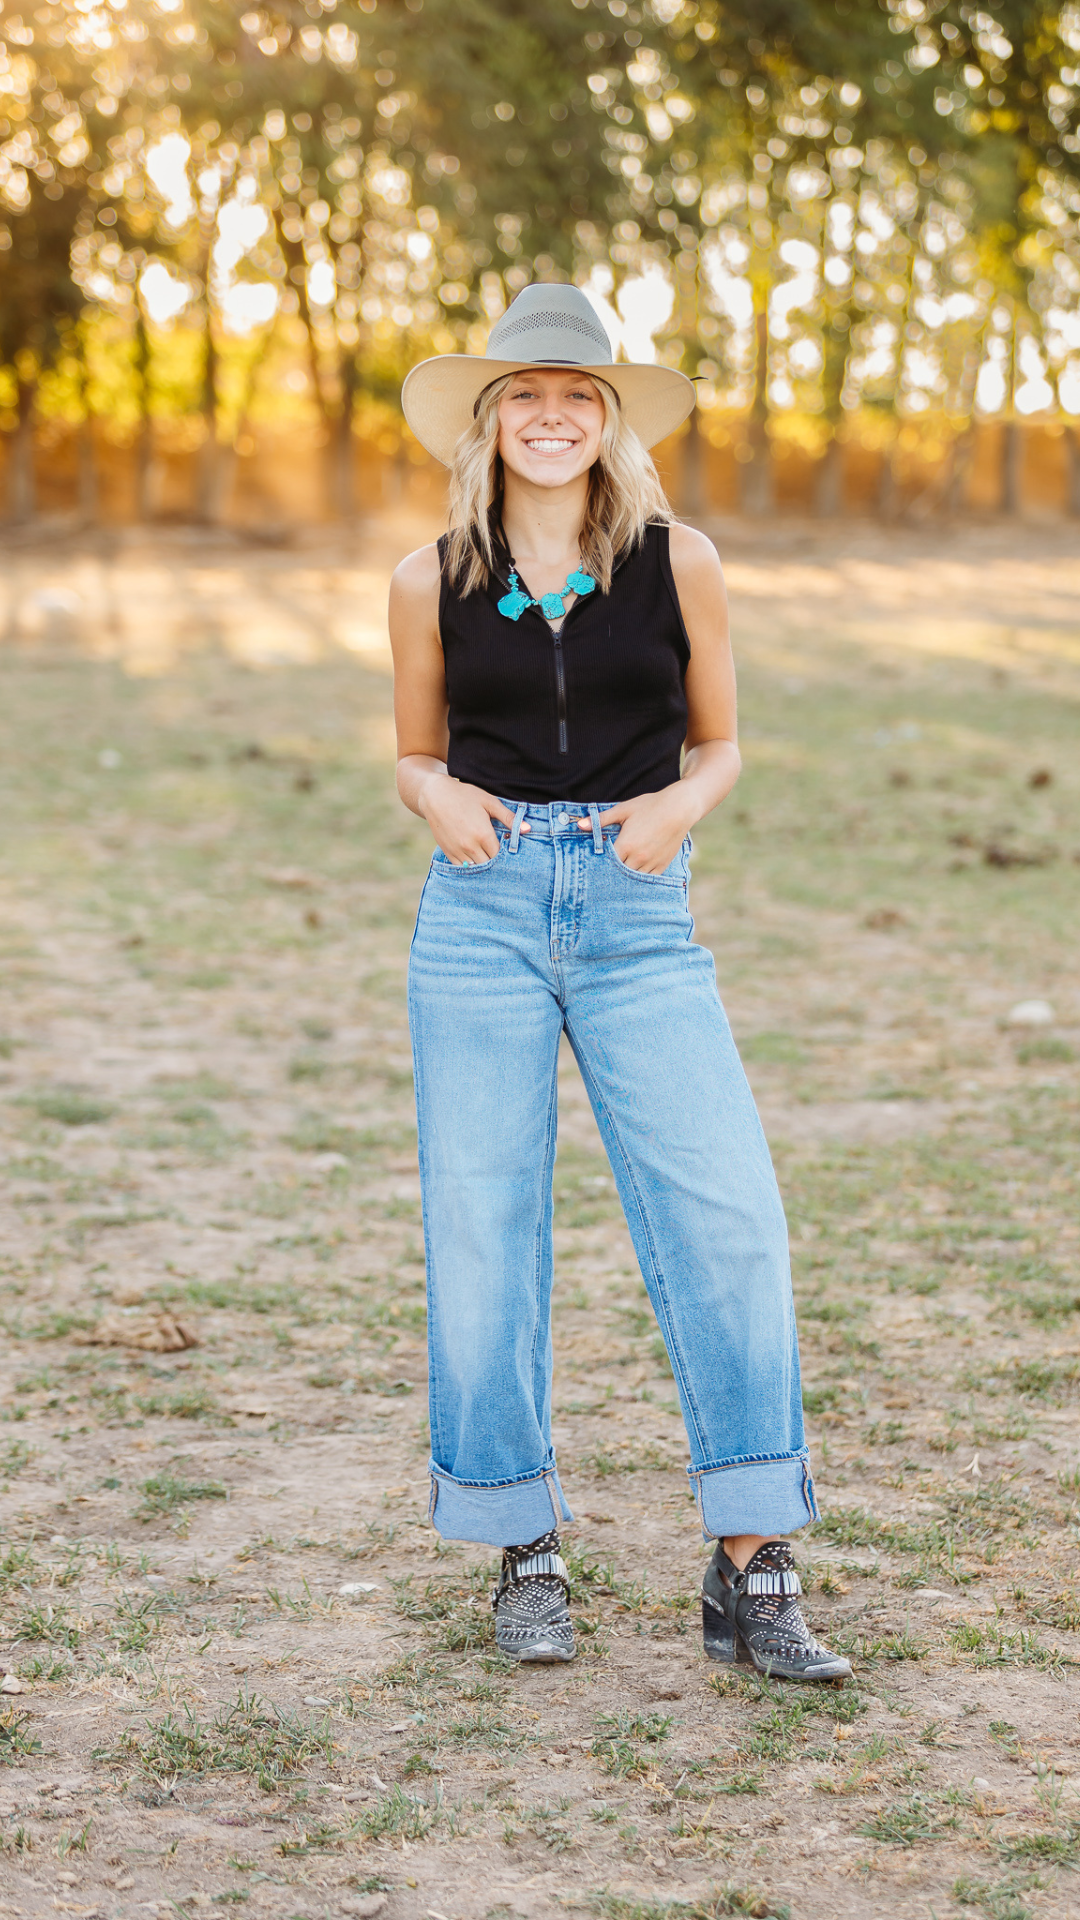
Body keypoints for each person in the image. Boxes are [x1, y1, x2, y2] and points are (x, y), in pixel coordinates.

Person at [388, 283, 850, 1684]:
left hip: (642, 909)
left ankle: (753, 1562)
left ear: (609, 420)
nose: (550, 416)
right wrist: (433, 801)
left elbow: (721, 742)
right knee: (484, 1229)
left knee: (731, 1219)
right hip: (481, 914)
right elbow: (414, 748)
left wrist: (677, 812)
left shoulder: (678, 559)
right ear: (488, 422)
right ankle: (522, 1549)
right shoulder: (429, 578)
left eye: (576, 396)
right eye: (524, 396)